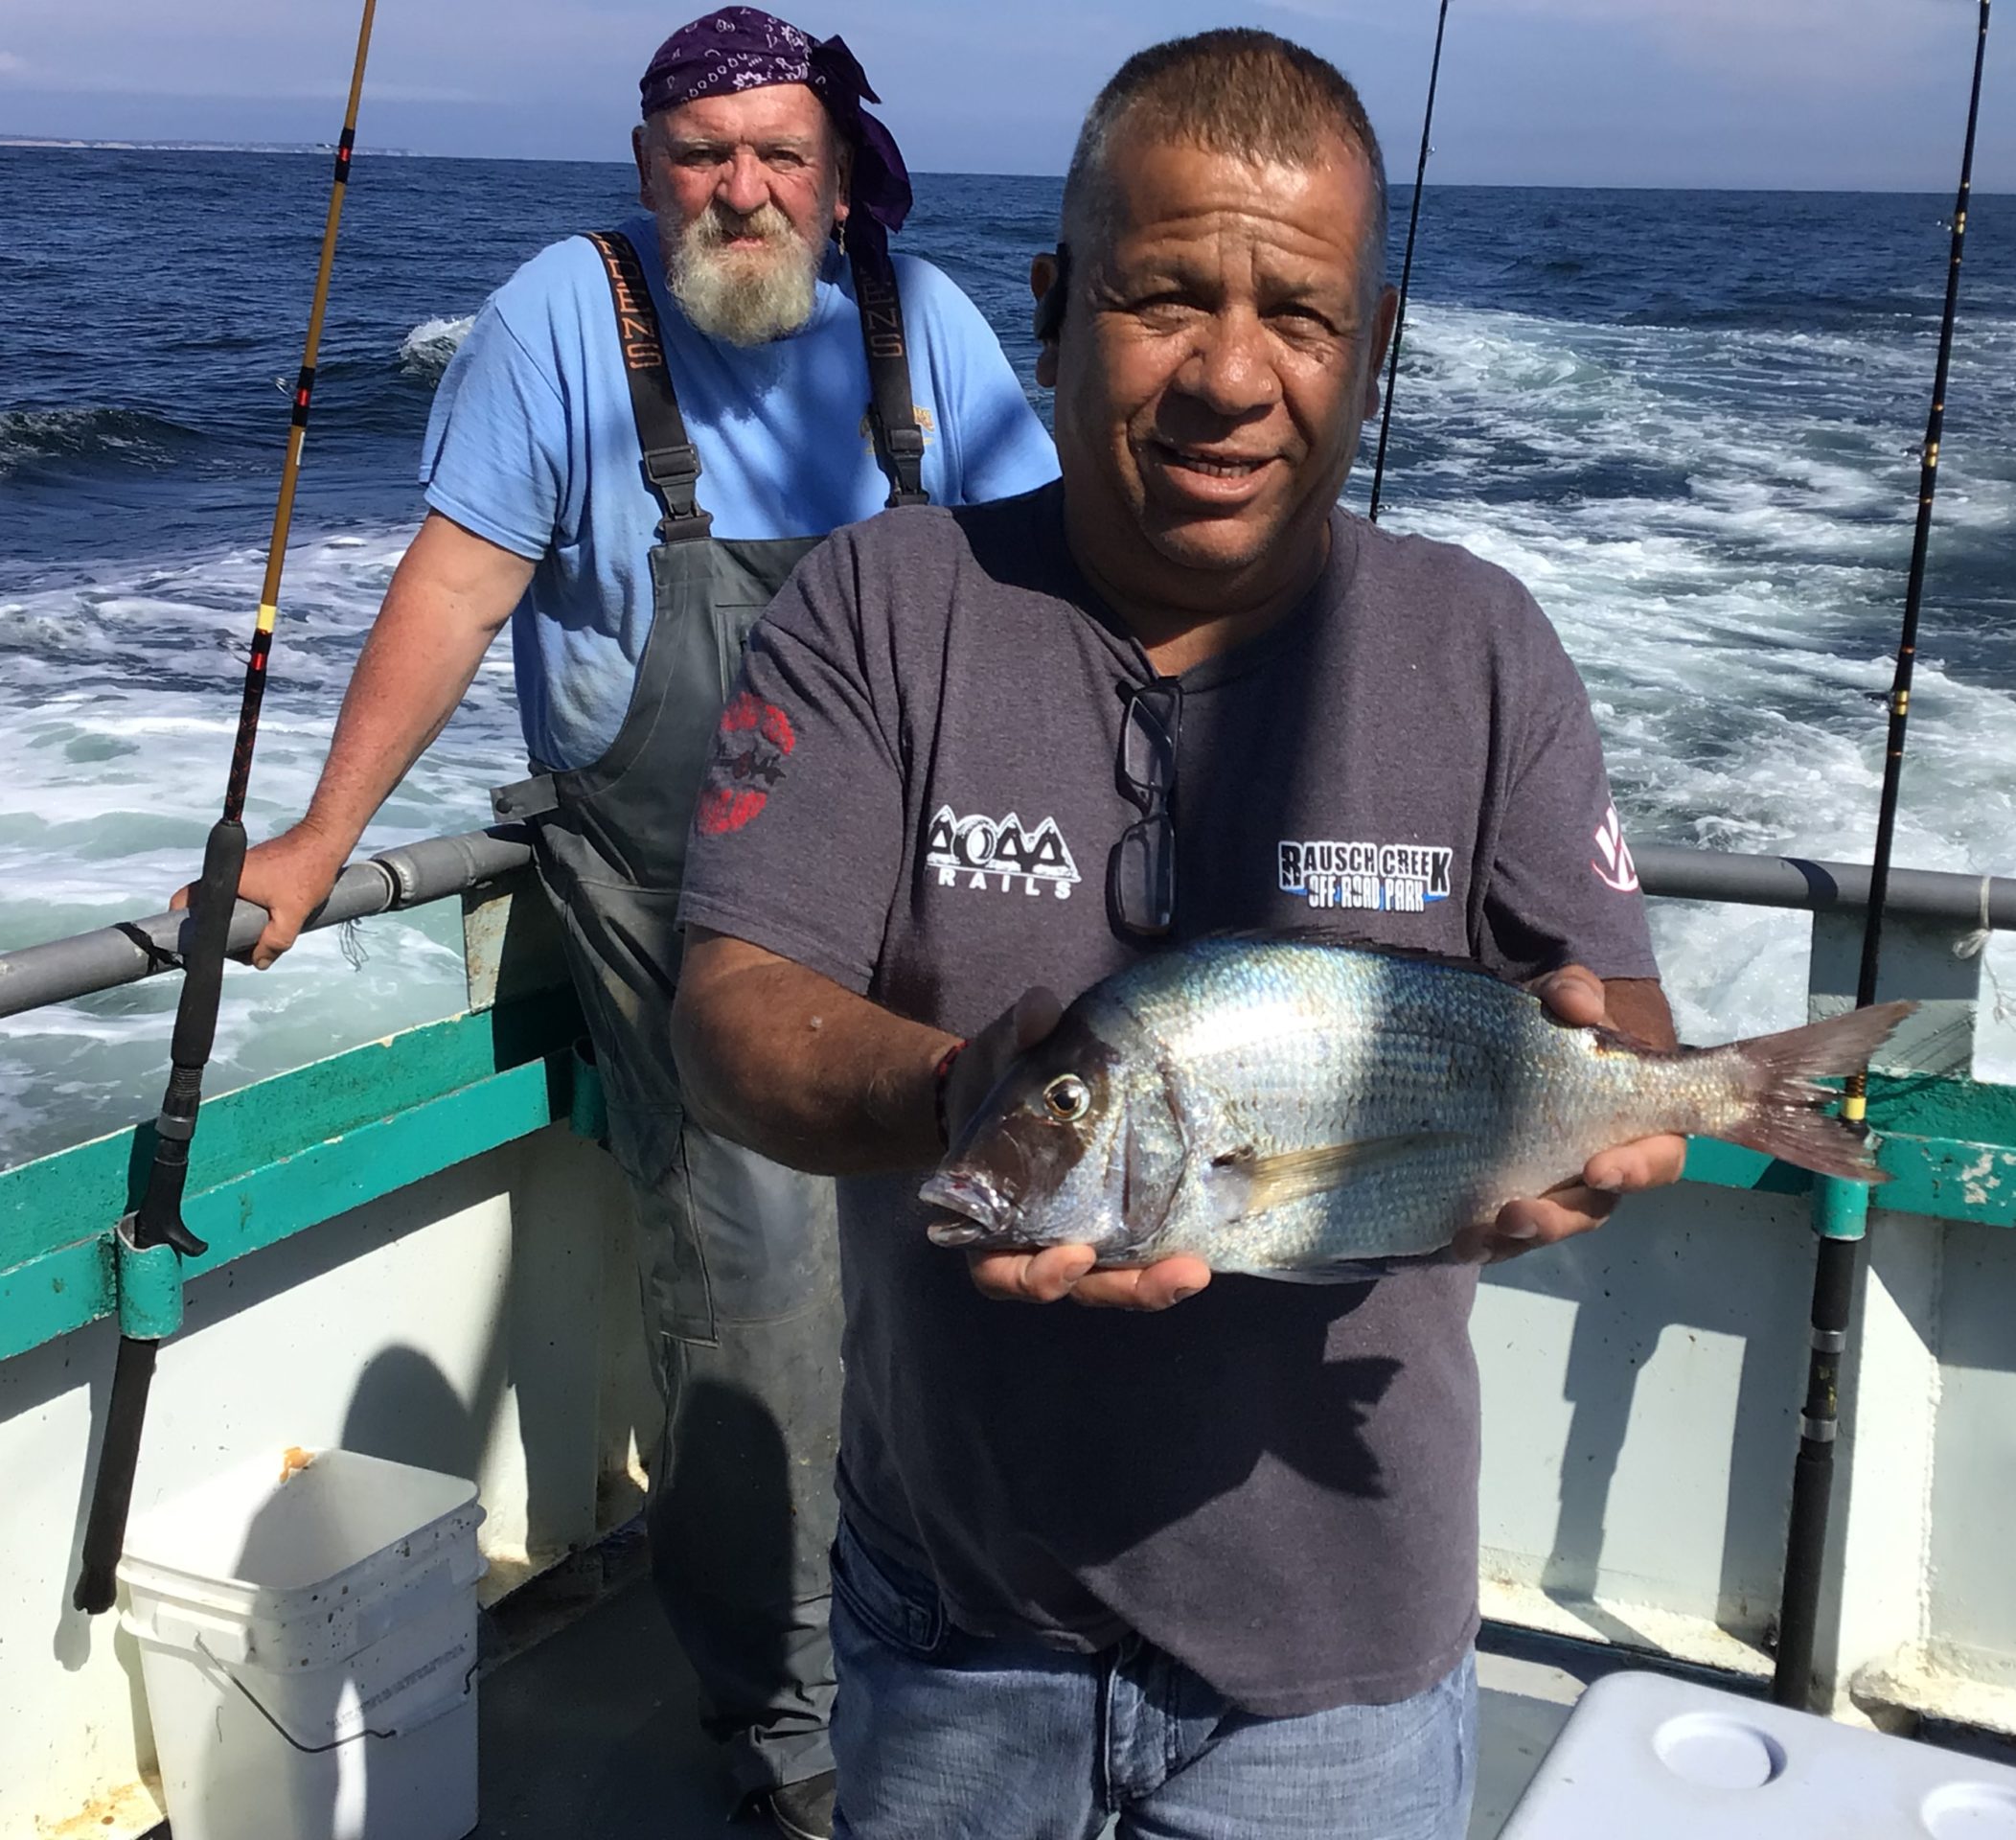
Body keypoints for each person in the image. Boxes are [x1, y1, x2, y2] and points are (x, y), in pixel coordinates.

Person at [668, 27, 1685, 1837]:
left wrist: (1604, 1127)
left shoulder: (1482, 645)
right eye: (1161, 300)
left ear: (1370, 347)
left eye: (1299, 317)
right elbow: (732, 1005)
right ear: (1056, 308)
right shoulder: (882, 604)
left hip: (1343, 1673)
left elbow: (1626, 1027)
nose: (1229, 378)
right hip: (956, 1623)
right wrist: (971, 1095)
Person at [205, 9, 1059, 1834]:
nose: (742, 190)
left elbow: (1042, 592)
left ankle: (975, 1645)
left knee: (974, 1263)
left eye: (779, 154)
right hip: (677, 901)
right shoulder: (561, 319)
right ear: (648, 166)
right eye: (702, 154)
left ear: (839, 176)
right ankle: (793, 1731)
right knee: (760, 1299)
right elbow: (457, 583)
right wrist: (317, 839)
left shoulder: (926, 323)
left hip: (917, 895)